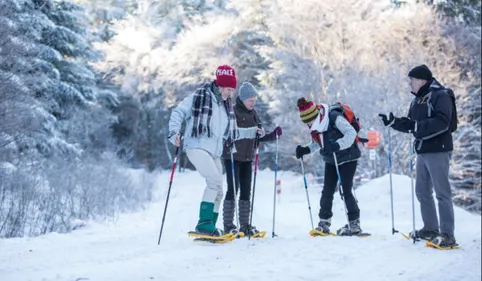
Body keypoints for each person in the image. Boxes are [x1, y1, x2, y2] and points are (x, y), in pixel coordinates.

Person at [378, 64, 457, 248]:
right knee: (422, 191)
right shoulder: (418, 100)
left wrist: (416, 127)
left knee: (442, 193)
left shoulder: (440, 95)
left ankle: (448, 234)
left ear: (422, 80)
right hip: (423, 150)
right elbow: (412, 124)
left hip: (439, 149)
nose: (410, 84)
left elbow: (443, 122)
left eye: (412, 80)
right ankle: (430, 228)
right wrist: (394, 122)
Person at [168, 64, 237, 237]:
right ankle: (203, 224)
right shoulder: (199, 97)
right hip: (196, 146)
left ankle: (210, 227)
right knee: (213, 181)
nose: (230, 93)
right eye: (228, 89)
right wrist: (174, 132)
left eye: (231, 90)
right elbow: (178, 112)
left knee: (219, 190)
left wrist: (255, 133)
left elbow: (228, 131)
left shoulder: (226, 106)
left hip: (214, 151)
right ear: (220, 85)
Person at [294, 97, 363, 236]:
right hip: (332, 159)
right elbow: (318, 143)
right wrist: (305, 150)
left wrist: (337, 145)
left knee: (346, 190)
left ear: (316, 115)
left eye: (310, 121)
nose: (309, 125)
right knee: (327, 191)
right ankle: (324, 223)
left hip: (348, 157)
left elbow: (351, 133)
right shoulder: (316, 126)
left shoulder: (333, 117)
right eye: (306, 123)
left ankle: (354, 223)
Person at [222, 82, 282, 237]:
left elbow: (258, 136)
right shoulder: (233, 112)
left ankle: (245, 225)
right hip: (233, 157)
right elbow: (231, 133)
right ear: (242, 99)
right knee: (233, 189)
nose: (253, 103)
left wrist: (271, 135)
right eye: (251, 100)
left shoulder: (254, 114)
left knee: (246, 191)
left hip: (248, 158)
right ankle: (228, 225)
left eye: (255, 100)